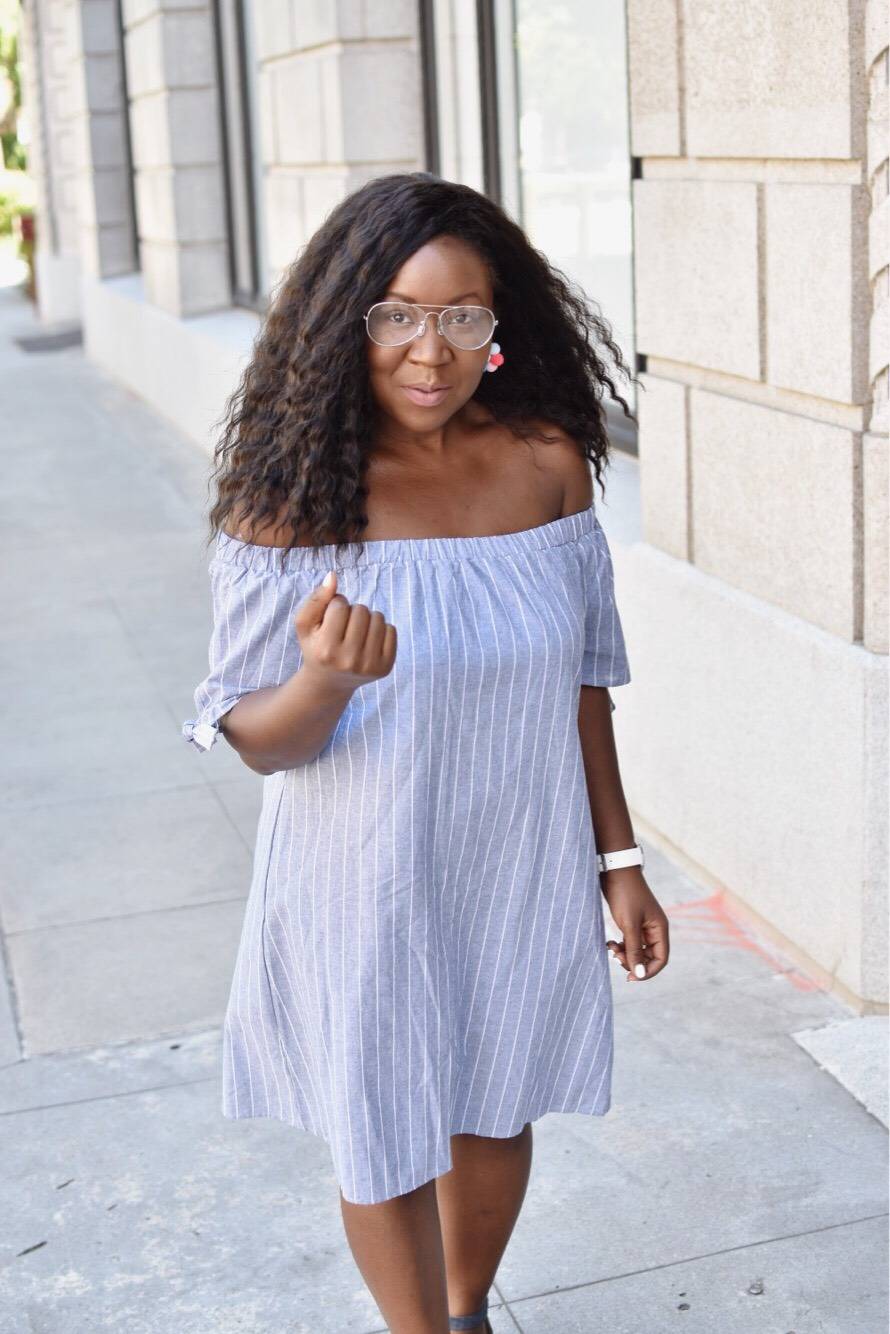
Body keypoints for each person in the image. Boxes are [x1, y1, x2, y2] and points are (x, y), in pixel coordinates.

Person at [182, 171, 670, 1334]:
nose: (429, 349)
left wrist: (619, 857)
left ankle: (462, 1307)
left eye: (462, 316)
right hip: (363, 870)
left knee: (495, 1109)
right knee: (381, 1113)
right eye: (396, 313)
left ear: (499, 329)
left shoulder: (547, 461)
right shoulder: (293, 500)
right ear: (345, 324)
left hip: (513, 852)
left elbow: (581, 684)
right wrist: (324, 679)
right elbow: (251, 735)